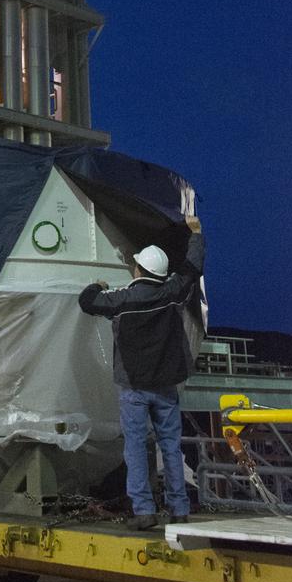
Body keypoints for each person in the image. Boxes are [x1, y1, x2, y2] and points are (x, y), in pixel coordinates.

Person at [78, 214, 205, 530]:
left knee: (135, 448)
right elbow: (192, 268)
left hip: (134, 388)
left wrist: (98, 284)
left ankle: (144, 511)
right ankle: (179, 509)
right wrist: (197, 234)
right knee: (171, 448)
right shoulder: (171, 292)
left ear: (139, 270)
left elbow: (87, 302)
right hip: (165, 386)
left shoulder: (122, 299)